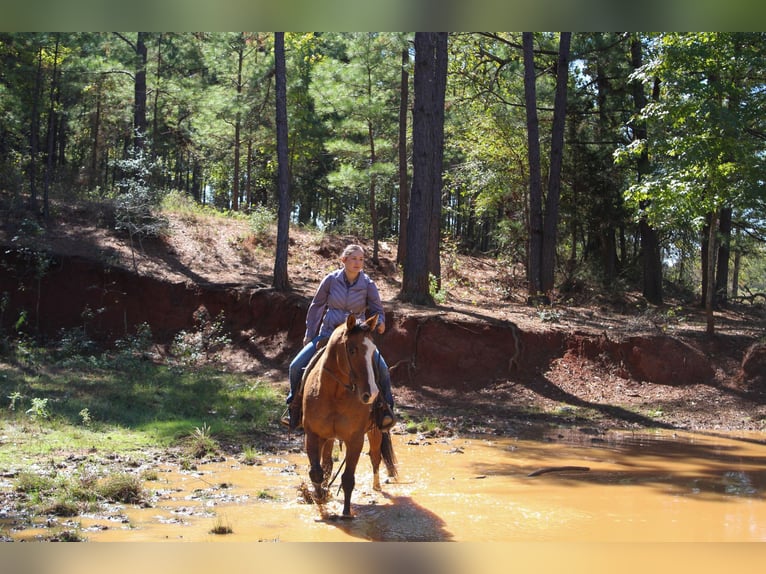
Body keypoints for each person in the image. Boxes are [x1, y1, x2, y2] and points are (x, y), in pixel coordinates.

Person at [281, 244, 395, 431]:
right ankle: (294, 408)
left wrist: (380, 322)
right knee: (295, 366)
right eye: (353, 259)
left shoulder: (368, 284)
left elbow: (377, 309)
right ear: (344, 260)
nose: (358, 263)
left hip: (356, 338)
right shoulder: (331, 280)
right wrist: (310, 334)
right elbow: (317, 306)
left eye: (361, 259)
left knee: (382, 368)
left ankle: (385, 409)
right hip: (329, 334)